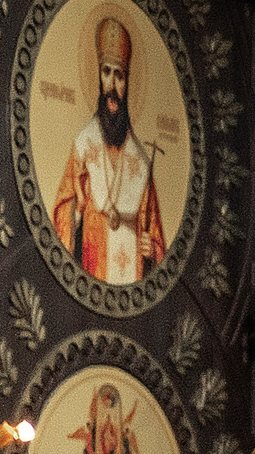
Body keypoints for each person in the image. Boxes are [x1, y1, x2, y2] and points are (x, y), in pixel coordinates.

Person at [47, 19, 166, 284]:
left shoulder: (142, 164)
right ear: (99, 76)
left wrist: (152, 249)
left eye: (119, 75)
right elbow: (59, 222)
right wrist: (77, 210)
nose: (112, 85)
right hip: (92, 276)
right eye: (106, 72)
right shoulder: (82, 147)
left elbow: (157, 240)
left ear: (127, 81)